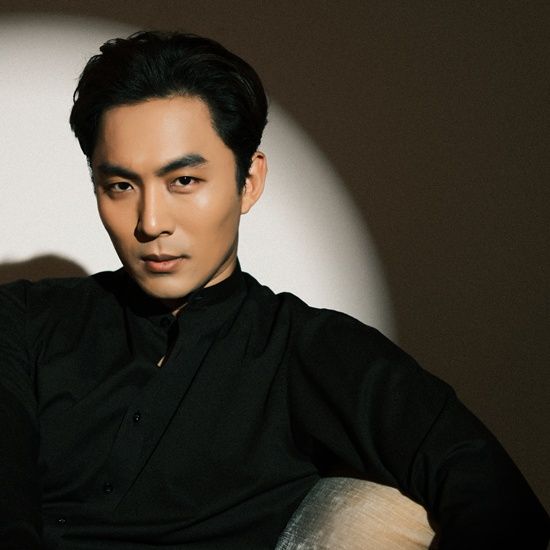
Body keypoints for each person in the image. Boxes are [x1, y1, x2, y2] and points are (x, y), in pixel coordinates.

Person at [0, 31, 547, 550]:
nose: (151, 222)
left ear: (249, 181)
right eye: (120, 185)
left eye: (183, 181)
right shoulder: (24, 322)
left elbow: (496, 499)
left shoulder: (308, 350)